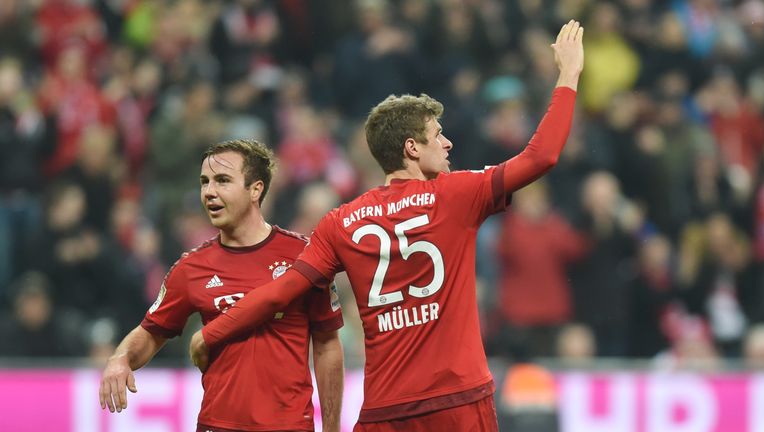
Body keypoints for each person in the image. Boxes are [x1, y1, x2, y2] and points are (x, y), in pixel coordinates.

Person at [191, 20, 584, 430]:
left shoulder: (340, 222)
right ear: (412, 148)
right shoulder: (457, 195)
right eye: (438, 135)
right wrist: (568, 74)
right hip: (458, 403)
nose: (448, 143)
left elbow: (278, 294)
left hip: (385, 412)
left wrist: (213, 332)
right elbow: (541, 157)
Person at [99, 139, 344, 432]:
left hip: (287, 426)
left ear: (256, 190)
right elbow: (150, 333)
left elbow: (328, 344)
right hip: (216, 426)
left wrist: (331, 428)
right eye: (205, 182)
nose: (209, 192)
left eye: (222, 181)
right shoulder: (191, 268)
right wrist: (120, 358)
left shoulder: (304, 256)